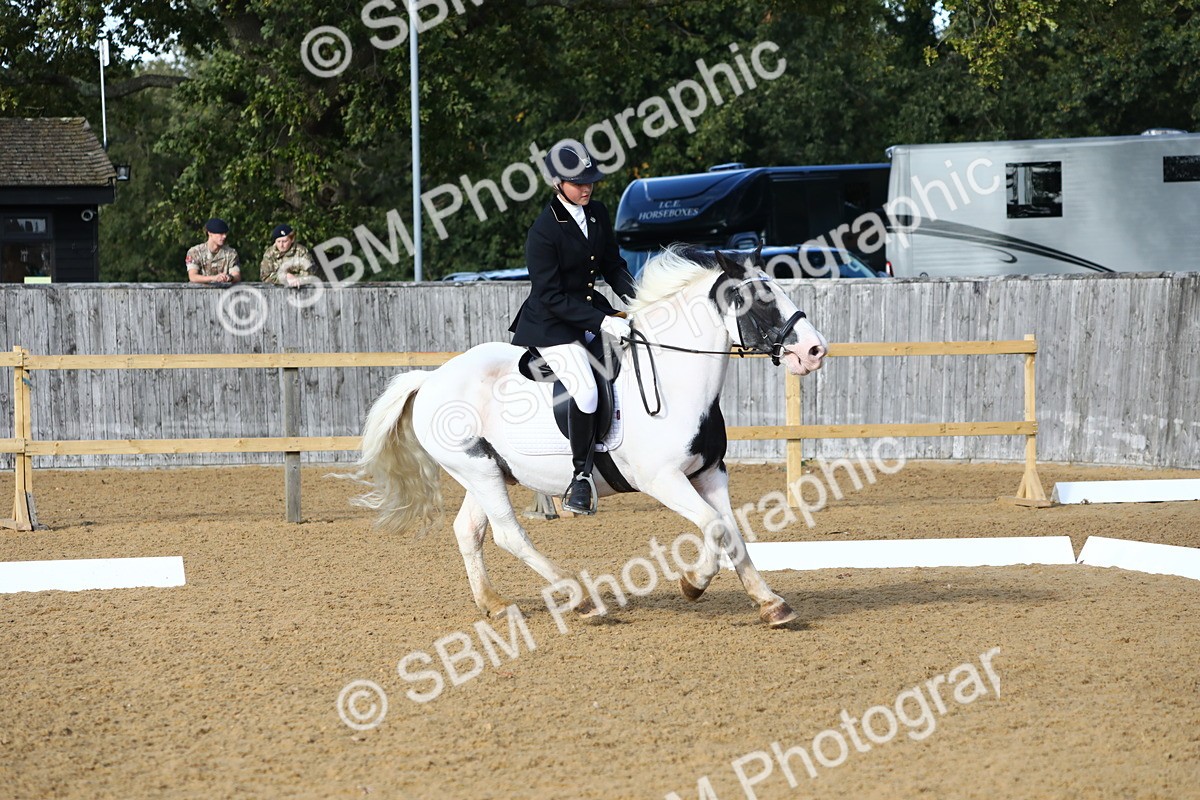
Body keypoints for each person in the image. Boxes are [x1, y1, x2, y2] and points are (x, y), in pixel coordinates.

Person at [509, 141, 637, 515]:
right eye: (578, 183)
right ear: (557, 183)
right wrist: (602, 322)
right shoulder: (543, 232)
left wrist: (639, 300)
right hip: (552, 324)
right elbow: (550, 296)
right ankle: (580, 477)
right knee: (584, 389)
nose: (587, 188)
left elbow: (613, 265)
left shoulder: (596, 212)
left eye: (591, 181)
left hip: (589, 310)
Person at [186, 218, 241, 284]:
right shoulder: (195, 252)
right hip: (198, 292)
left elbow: (237, 276)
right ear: (210, 233)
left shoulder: (231, 253)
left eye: (225, 233)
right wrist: (214, 278)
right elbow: (193, 277)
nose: (224, 236)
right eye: (220, 233)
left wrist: (229, 277)